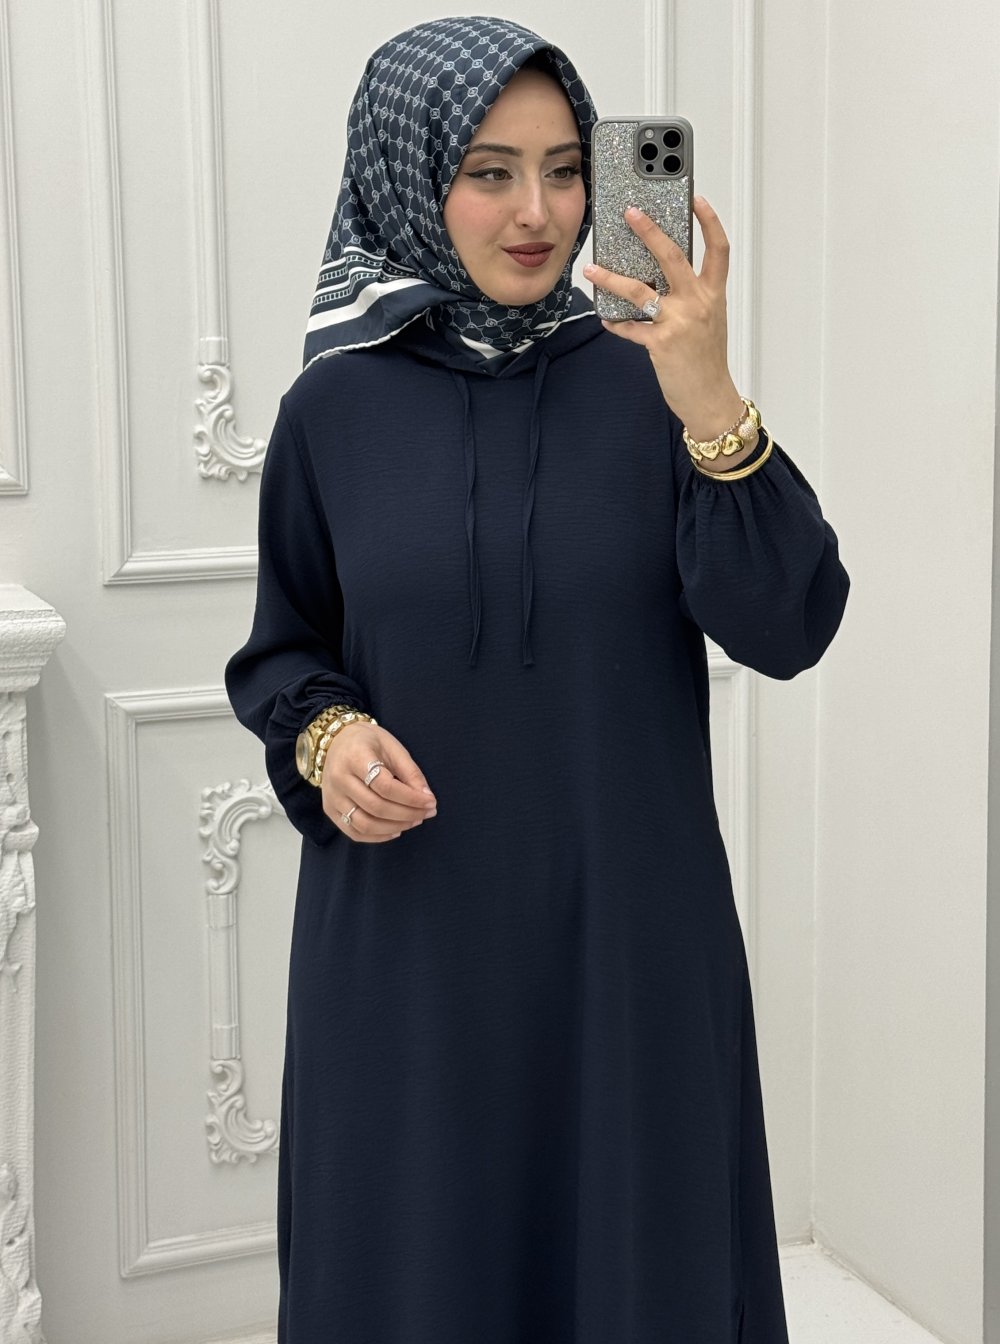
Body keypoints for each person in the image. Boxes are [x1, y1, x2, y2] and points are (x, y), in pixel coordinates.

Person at [225, 15, 849, 1343]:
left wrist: (707, 395)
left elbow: (790, 624)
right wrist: (329, 740)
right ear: (408, 172)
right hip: (407, 947)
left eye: (568, 169)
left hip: (629, 944)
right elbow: (286, 649)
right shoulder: (330, 411)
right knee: (412, 1267)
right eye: (489, 171)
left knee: (639, 1264)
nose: (540, 214)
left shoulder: (653, 383)